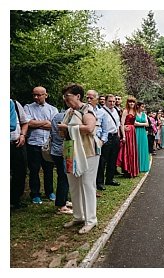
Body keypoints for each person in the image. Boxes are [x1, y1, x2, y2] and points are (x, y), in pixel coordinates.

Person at [58, 84, 101, 234]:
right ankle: (78, 216)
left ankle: (91, 220)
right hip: (71, 152)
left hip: (88, 151)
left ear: (77, 96)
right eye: (64, 97)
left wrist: (68, 128)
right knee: (74, 184)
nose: (66, 100)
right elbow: (63, 130)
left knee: (87, 184)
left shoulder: (87, 110)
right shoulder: (69, 112)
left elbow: (90, 128)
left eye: (68, 97)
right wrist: (63, 130)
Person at [24, 86, 59, 205]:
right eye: (34, 94)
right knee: (34, 170)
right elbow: (28, 123)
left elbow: (54, 125)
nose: (36, 97)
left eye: (38, 95)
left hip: (47, 144)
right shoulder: (28, 107)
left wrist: (36, 123)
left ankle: (49, 192)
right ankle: (35, 194)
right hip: (33, 143)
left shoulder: (53, 109)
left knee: (48, 169)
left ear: (45, 95)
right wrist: (45, 122)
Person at [89, 91, 118, 190]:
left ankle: (110, 178)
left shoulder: (116, 111)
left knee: (113, 159)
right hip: (106, 137)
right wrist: (102, 139)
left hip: (115, 136)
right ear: (105, 101)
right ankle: (100, 181)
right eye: (110, 101)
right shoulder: (101, 111)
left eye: (114, 101)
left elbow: (117, 124)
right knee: (103, 160)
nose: (112, 103)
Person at [48, 109, 72, 214]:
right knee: (64, 177)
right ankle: (61, 205)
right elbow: (64, 134)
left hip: (56, 149)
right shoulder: (66, 118)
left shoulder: (56, 116)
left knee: (63, 176)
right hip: (64, 149)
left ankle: (64, 200)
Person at [10, 97, 31, 210]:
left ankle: (15, 199)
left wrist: (23, 135)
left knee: (20, 172)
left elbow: (25, 122)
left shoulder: (14, 104)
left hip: (16, 143)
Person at [118, 98, 140, 177]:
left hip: (132, 132)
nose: (131, 103)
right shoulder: (125, 111)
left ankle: (133, 170)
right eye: (130, 102)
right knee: (127, 151)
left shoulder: (134, 112)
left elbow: (135, 123)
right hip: (127, 133)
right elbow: (122, 123)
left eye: (133, 102)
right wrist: (123, 135)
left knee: (132, 150)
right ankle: (127, 170)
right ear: (128, 103)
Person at [134, 103, 151, 172]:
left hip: (143, 132)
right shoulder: (134, 114)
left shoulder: (144, 114)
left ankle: (143, 166)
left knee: (143, 147)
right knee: (137, 147)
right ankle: (137, 166)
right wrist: (143, 124)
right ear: (138, 106)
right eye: (142, 107)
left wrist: (139, 124)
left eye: (144, 107)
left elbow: (147, 124)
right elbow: (134, 123)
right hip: (136, 132)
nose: (143, 108)